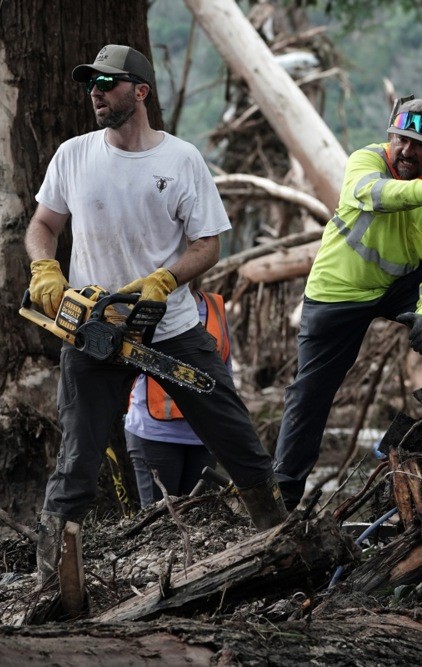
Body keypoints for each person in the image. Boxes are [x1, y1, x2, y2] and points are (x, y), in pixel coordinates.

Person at [24, 44, 285, 589]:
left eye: (108, 83)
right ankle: (52, 584)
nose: (96, 92)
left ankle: (285, 544)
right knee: (76, 462)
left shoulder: (181, 160)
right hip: (93, 331)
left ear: (140, 91)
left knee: (237, 439)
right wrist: (45, 266)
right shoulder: (73, 155)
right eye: (91, 83)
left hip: (170, 329)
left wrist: (167, 279)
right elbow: (43, 224)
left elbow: (207, 244)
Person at [273, 96, 422, 511]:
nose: (405, 150)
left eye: (418, 144)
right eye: (400, 139)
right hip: (339, 287)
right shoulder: (365, 162)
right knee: (311, 390)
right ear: (389, 137)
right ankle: (283, 493)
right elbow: (375, 194)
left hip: (402, 283)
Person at [125, 286, 232, 508]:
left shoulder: (215, 305)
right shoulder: (147, 304)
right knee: (158, 523)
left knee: (199, 522)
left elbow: (225, 370)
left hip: (204, 435)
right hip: (154, 433)